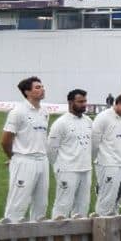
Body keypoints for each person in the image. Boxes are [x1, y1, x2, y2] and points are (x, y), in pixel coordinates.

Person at [1, 76, 50, 221]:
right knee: (18, 203)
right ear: (27, 92)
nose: (42, 89)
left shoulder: (44, 112)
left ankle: (37, 239)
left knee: (41, 204)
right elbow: (5, 141)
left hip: (42, 160)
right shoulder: (18, 112)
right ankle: (9, 237)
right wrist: (14, 157)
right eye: (37, 87)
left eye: (42, 86)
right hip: (24, 160)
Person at [47, 89, 93, 218]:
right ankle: (57, 234)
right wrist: (58, 167)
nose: (84, 104)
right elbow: (51, 149)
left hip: (86, 169)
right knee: (63, 204)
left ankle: (78, 237)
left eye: (85, 101)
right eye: (80, 102)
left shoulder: (88, 121)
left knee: (83, 205)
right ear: (70, 102)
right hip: (67, 170)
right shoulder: (60, 123)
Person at [92, 92, 121, 216]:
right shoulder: (103, 117)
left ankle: (114, 225)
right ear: (118, 103)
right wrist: (100, 159)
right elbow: (94, 142)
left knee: (120, 198)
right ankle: (101, 228)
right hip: (108, 163)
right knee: (107, 199)